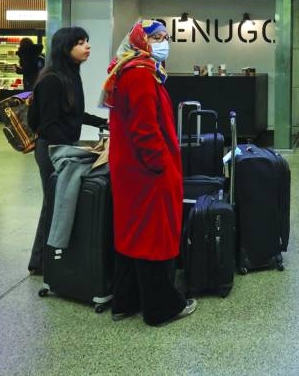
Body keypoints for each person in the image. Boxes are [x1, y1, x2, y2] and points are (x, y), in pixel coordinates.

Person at [101, 19, 196, 326]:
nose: (163, 42)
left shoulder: (124, 69)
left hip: (128, 168)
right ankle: (161, 307)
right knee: (154, 236)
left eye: (166, 37)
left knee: (130, 234)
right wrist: (161, 165)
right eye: (155, 37)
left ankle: (125, 302)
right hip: (147, 171)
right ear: (140, 40)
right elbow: (145, 130)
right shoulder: (141, 75)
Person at [25, 27, 107, 275]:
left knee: (57, 200)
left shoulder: (70, 75)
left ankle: (46, 260)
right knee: (53, 202)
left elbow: (73, 113)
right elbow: (47, 123)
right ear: (65, 48)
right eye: (80, 43)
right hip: (52, 149)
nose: (87, 47)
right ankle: (39, 262)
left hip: (63, 146)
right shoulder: (52, 79)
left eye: (86, 41)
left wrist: (102, 123)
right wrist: (73, 149)